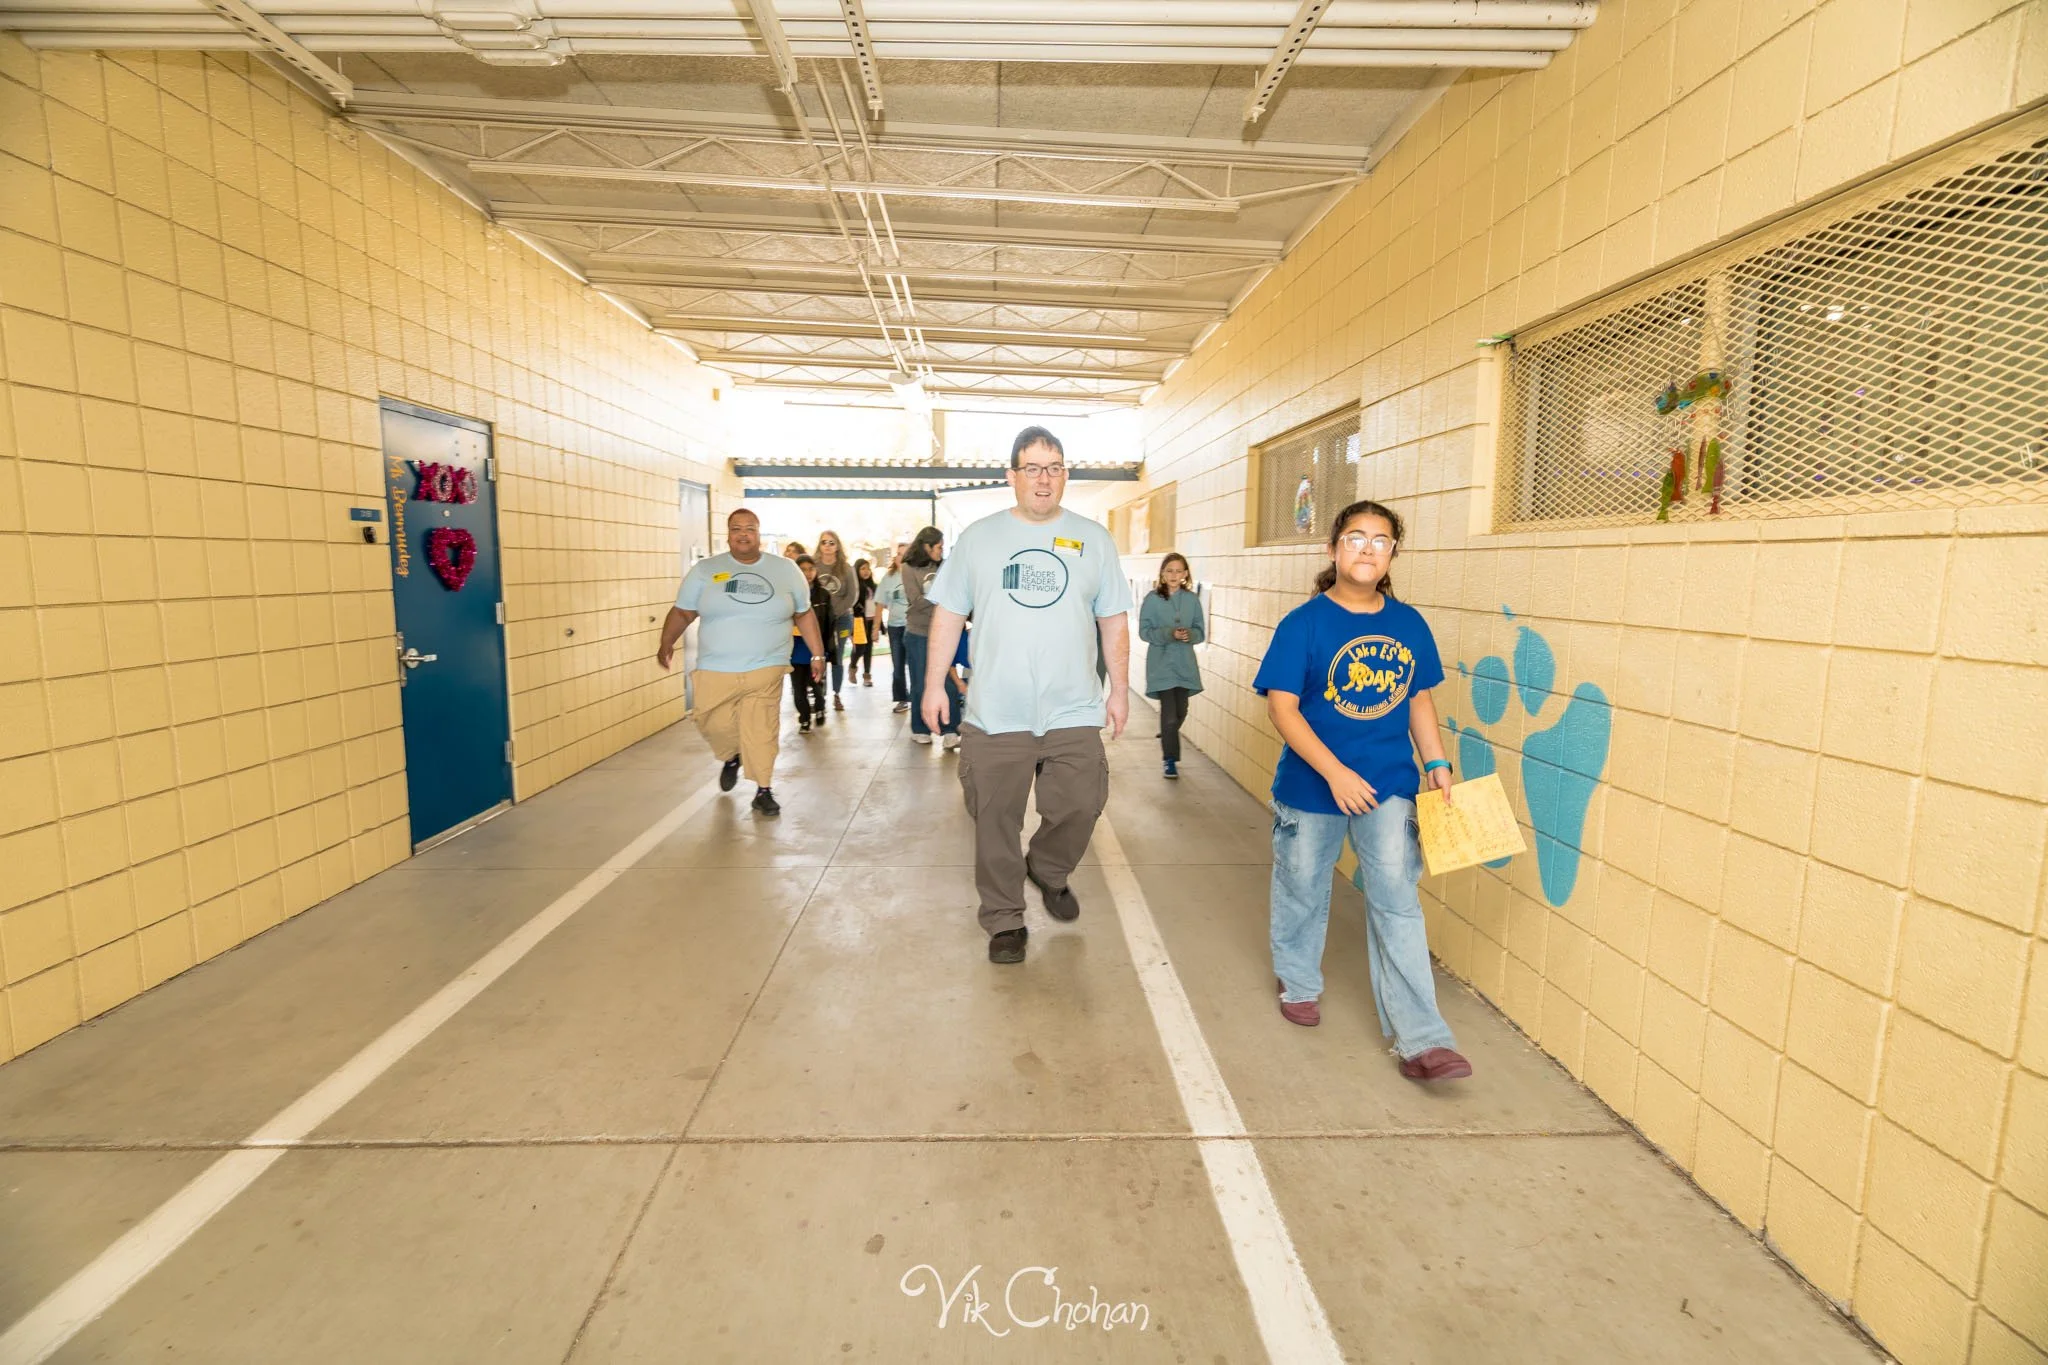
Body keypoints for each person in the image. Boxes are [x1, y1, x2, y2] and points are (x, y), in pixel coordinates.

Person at [1252, 498, 1471, 1082]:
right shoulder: (1304, 624)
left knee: (1397, 902)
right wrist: (1335, 773)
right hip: (1311, 785)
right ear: (1333, 549)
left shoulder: (1408, 623)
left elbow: (1418, 697)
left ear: (1393, 553)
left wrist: (1437, 762)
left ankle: (1422, 1040)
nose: (1367, 548)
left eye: (1380, 539)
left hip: (1390, 783)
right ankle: (1298, 981)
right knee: (1302, 887)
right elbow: (1284, 709)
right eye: (1355, 537)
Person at [922, 426, 1131, 964]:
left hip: (1074, 704)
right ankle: (1005, 918)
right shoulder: (978, 538)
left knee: (1082, 803)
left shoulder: (1093, 539)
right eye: (1033, 468)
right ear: (1012, 476)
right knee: (994, 819)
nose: (1045, 478)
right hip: (996, 711)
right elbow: (948, 615)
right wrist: (932, 686)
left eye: (1055, 467)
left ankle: (1047, 867)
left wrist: (1121, 691)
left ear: (1066, 476)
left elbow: (1113, 621)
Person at [657, 508, 822, 817]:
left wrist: (817, 653)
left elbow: (804, 612)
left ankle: (763, 789)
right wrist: (666, 642)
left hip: (767, 664)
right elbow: (683, 612)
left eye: (750, 528)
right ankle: (731, 754)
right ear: (728, 534)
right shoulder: (706, 570)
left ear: (759, 534)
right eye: (736, 529)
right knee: (711, 721)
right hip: (716, 666)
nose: (743, 534)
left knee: (761, 727)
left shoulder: (786, 570)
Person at [1138, 552, 1204, 780]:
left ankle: (1168, 733)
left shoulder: (1192, 600)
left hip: (1184, 663)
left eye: (1178, 571)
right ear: (1162, 574)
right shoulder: (1152, 599)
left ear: (1185, 574)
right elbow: (1144, 631)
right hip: (1161, 663)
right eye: (1169, 571)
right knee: (1168, 715)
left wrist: (1190, 635)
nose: (1174, 575)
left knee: (1181, 711)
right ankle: (1170, 760)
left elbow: (1200, 631)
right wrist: (1169, 633)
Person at [901, 527, 959, 747]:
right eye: (938, 547)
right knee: (919, 682)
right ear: (926, 546)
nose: (940, 551)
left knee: (948, 681)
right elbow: (915, 601)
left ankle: (950, 729)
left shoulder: (944, 566)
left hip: (944, 631)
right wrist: (940, 598)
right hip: (918, 632)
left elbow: (954, 595)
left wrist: (939, 600)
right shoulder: (907, 568)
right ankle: (920, 727)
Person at [813, 530, 859, 711]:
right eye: (824, 542)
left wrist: (835, 612)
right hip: (817, 619)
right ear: (819, 545)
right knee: (819, 655)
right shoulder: (814, 566)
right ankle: (819, 694)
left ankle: (837, 694)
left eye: (832, 542)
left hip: (842, 619)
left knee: (837, 655)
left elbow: (852, 595)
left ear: (837, 546)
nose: (828, 546)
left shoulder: (846, 568)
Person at [788, 555, 831, 732]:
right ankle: (804, 719)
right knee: (798, 687)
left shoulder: (823, 595)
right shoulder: (788, 594)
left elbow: (829, 622)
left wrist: (826, 649)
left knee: (816, 683)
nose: (807, 573)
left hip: (815, 648)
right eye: (803, 569)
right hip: (795, 649)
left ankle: (820, 708)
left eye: (811, 569)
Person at [879, 542, 911, 713]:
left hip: (914, 626)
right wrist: (874, 628)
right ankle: (901, 698)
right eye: (899, 554)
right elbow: (880, 602)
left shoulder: (917, 574)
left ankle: (919, 696)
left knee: (915, 664)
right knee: (897, 665)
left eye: (905, 553)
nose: (901, 557)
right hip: (895, 627)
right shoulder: (889, 577)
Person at [850, 558, 878, 686]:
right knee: (860, 648)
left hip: (872, 621)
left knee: (869, 649)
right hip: (859, 622)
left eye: (867, 568)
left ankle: (867, 676)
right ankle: (853, 667)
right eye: (862, 568)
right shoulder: (855, 588)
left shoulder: (874, 586)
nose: (866, 571)